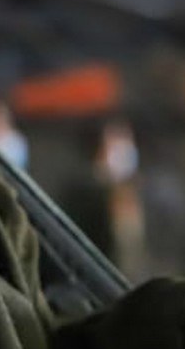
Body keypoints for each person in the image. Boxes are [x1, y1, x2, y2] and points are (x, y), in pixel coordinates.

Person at [58, 116, 149, 281]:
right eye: (117, 142)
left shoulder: (136, 190)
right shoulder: (84, 193)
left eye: (128, 141)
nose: (125, 150)